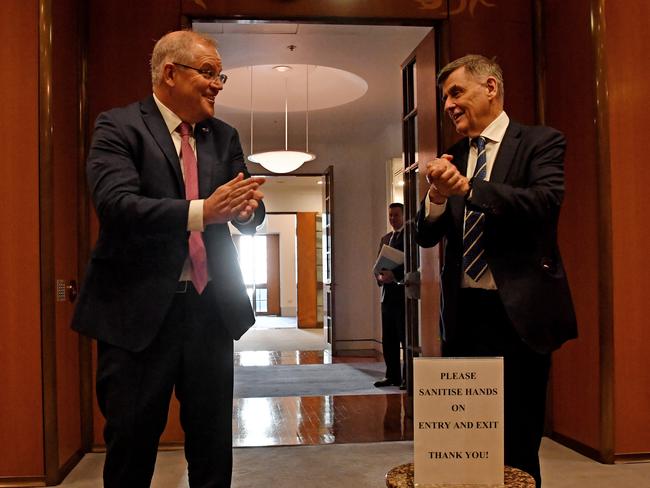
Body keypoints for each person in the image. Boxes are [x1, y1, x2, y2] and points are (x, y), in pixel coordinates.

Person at [71, 30, 265, 488]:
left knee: (213, 446)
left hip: (210, 311)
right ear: (170, 73)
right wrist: (204, 211)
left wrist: (249, 209)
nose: (218, 84)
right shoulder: (118, 126)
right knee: (132, 446)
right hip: (137, 317)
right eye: (209, 72)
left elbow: (250, 212)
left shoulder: (224, 136)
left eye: (221, 75)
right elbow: (116, 205)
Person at [415, 54, 577, 487]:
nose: (448, 105)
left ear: (490, 88)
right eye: (444, 96)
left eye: (456, 92)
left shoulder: (541, 142)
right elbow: (426, 238)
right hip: (465, 316)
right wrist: (434, 195)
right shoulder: (454, 156)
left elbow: (544, 203)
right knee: (464, 442)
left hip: (520, 316)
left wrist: (470, 188)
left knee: (518, 445)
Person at [374, 202, 407, 389]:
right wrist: (379, 276)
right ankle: (391, 375)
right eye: (390, 216)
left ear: (403, 215)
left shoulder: (409, 237)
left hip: (403, 295)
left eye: (396, 215)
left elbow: (413, 261)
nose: (392, 219)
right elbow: (378, 263)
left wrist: (395, 275)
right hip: (386, 295)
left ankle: (406, 378)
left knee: (404, 337)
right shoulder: (385, 238)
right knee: (389, 339)